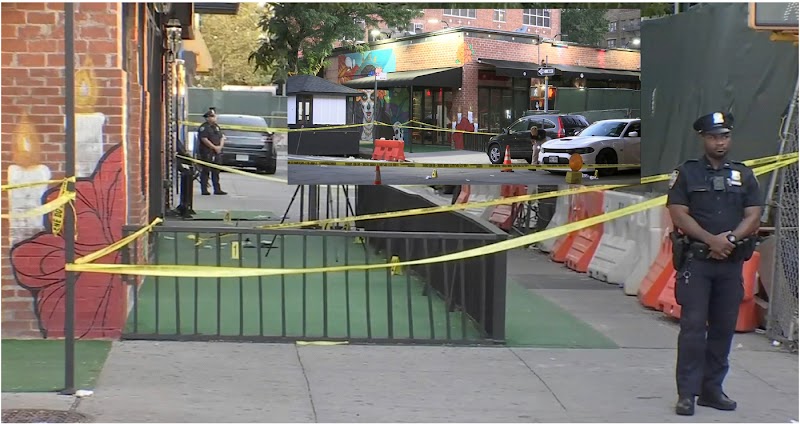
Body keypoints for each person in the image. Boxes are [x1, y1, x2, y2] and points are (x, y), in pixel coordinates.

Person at [666, 111, 762, 416]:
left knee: (723, 329)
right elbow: (679, 213)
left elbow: (754, 215)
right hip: (698, 262)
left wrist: (730, 241)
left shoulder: (744, 174)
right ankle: (687, 394)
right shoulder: (688, 173)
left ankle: (712, 389)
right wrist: (711, 240)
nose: (720, 142)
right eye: (713, 137)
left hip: (730, 263)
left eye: (725, 136)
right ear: (703, 139)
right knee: (693, 329)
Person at [197, 108, 227, 195]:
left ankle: (217, 189)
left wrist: (220, 147)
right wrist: (214, 147)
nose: (215, 118)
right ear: (208, 118)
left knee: (216, 171)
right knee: (206, 171)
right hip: (207, 153)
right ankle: (204, 189)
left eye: (214, 116)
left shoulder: (216, 127)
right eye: (212, 116)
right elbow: (204, 139)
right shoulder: (204, 127)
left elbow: (222, 137)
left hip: (216, 153)